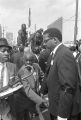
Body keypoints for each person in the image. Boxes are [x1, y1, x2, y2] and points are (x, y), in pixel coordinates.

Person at [41, 28, 81, 120]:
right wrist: (43, 91)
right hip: (55, 105)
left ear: (55, 40)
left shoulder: (64, 54)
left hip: (65, 110)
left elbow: (67, 87)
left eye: (46, 41)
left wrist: (62, 115)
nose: (44, 44)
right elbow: (48, 74)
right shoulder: (53, 54)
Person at [0, 38, 22, 120]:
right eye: (3, 51)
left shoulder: (13, 66)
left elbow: (18, 84)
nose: (6, 53)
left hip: (8, 104)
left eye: (8, 51)